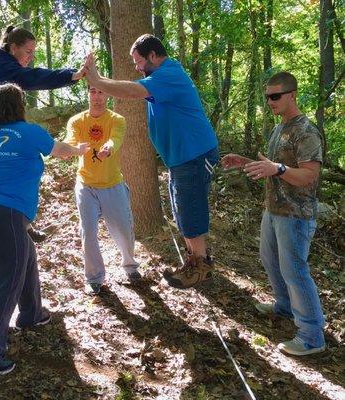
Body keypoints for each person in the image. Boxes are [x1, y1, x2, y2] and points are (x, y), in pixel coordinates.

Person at [0, 83, 89, 374]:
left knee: (25, 253)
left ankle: (31, 314)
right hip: (5, 216)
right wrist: (80, 149)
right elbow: (61, 151)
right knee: (4, 284)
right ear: (19, 106)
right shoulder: (28, 132)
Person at [84, 34, 219, 288]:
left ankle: (201, 266)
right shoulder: (162, 76)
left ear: (154, 55)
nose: (137, 67)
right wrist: (98, 78)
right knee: (182, 208)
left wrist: (98, 80)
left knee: (190, 208)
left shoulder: (169, 74)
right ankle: (194, 262)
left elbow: (132, 91)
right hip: (182, 157)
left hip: (195, 153)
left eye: (139, 61)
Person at [0, 25, 87, 248]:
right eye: (28, 52)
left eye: (33, 52)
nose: (31, 57)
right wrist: (71, 75)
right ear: (13, 47)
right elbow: (35, 77)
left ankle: (21, 225)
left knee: (14, 172)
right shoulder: (5, 69)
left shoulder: (6, 65)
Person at [221, 72, 325, 356]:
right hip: (273, 209)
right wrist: (246, 162)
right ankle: (284, 306)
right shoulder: (279, 129)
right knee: (270, 260)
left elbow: (309, 176)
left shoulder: (306, 131)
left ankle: (312, 336)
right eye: (267, 96)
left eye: (275, 96)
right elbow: (273, 166)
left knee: (295, 271)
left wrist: (277, 169)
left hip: (296, 214)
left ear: (292, 94)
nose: (270, 101)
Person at [66, 86, 140, 295]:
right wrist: (71, 149)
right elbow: (70, 140)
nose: (97, 97)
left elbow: (115, 138)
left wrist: (108, 147)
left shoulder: (117, 119)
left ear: (107, 95)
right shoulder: (77, 121)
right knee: (88, 231)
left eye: (101, 92)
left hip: (112, 184)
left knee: (124, 230)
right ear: (87, 94)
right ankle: (94, 277)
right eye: (92, 92)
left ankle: (130, 266)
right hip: (86, 185)